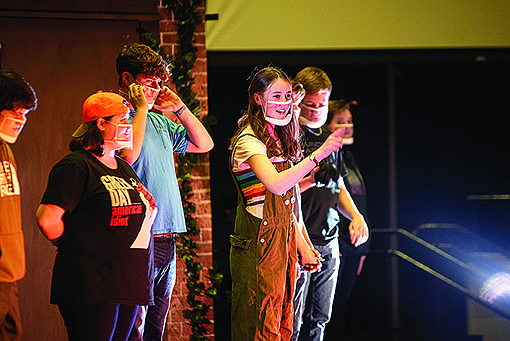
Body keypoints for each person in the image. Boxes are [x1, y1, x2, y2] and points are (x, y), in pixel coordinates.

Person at [229, 66, 344, 341]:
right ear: (258, 98)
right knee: (259, 325)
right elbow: (277, 184)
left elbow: (290, 204)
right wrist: (317, 156)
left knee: (283, 324)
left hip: (283, 241)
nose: (284, 104)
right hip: (260, 244)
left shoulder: (279, 141)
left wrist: (302, 245)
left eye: (288, 97)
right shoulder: (248, 140)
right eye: (277, 96)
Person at [36, 91, 157, 341]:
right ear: (101, 124)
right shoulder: (77, 166)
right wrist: (74, 245)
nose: (127, 126)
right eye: (122, 120)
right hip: (93, 283)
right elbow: (47, 219)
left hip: (127, 282)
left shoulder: (122, 166)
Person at [115, 43, 214, 341]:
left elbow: (204, 144)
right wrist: (141, 108)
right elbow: (128, 156)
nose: (157, 89)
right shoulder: (117, 116)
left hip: (166, 234)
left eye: (160, 82)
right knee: (136, 324)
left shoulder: (159, 120)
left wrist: (180, 108)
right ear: (127, 79)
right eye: (149, 82)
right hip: (139, 236)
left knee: (157, 322)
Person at [291, 67, 369, 341]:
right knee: (293, 319)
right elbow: (281, 190)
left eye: (321, 105)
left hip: (330, 239)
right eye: (309, 105)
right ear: (297, 101)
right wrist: (310, 177)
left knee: (321, 318)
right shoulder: (289, 138)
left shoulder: (329, 139)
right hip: (299, 239)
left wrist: (356, 216)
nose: (314, 111)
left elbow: (339, 187)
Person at [324, 100, 370, 340]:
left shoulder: (348, 156)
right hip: (337, 244)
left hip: (353, 246)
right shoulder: (328, 156)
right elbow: (330, 199)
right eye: (340, 122)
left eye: (349, 121)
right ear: (327, 124)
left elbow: (359, 203)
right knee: (328, 310)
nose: (347, 126)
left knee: (341, 307)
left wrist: (362, 247)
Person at [0, 69, 37, 341]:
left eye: (25, 113)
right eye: (16, 111)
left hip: (9, 271)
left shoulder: (6, 149)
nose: (21, 120)